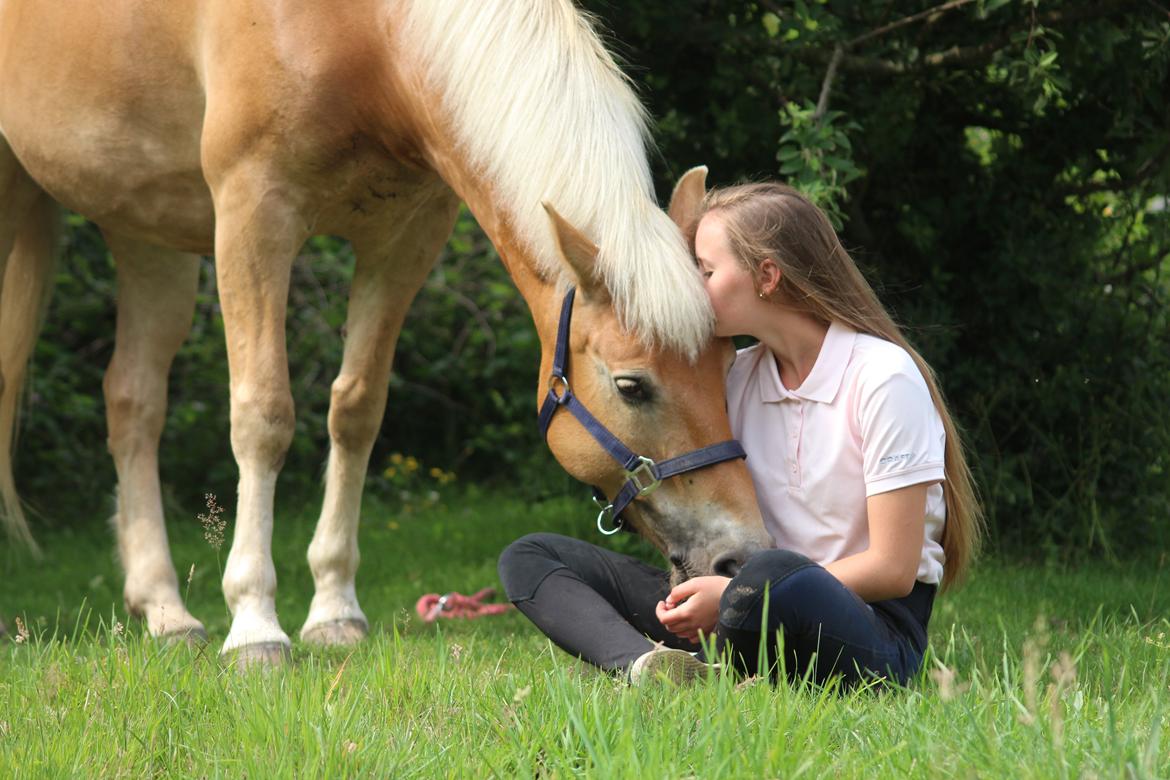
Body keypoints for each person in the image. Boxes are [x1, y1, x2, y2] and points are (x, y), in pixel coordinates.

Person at [497, 182, 982, 686]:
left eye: (704, 271)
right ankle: (650, 669)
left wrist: (735, 596)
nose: (691, 287)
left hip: (863, 627)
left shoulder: (881, 376)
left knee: (772, 574)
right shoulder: (736, 377)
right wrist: (721, 598)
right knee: (531, 557)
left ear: (767, 276)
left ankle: (731, 660)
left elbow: (893, 569)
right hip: (743, 608)